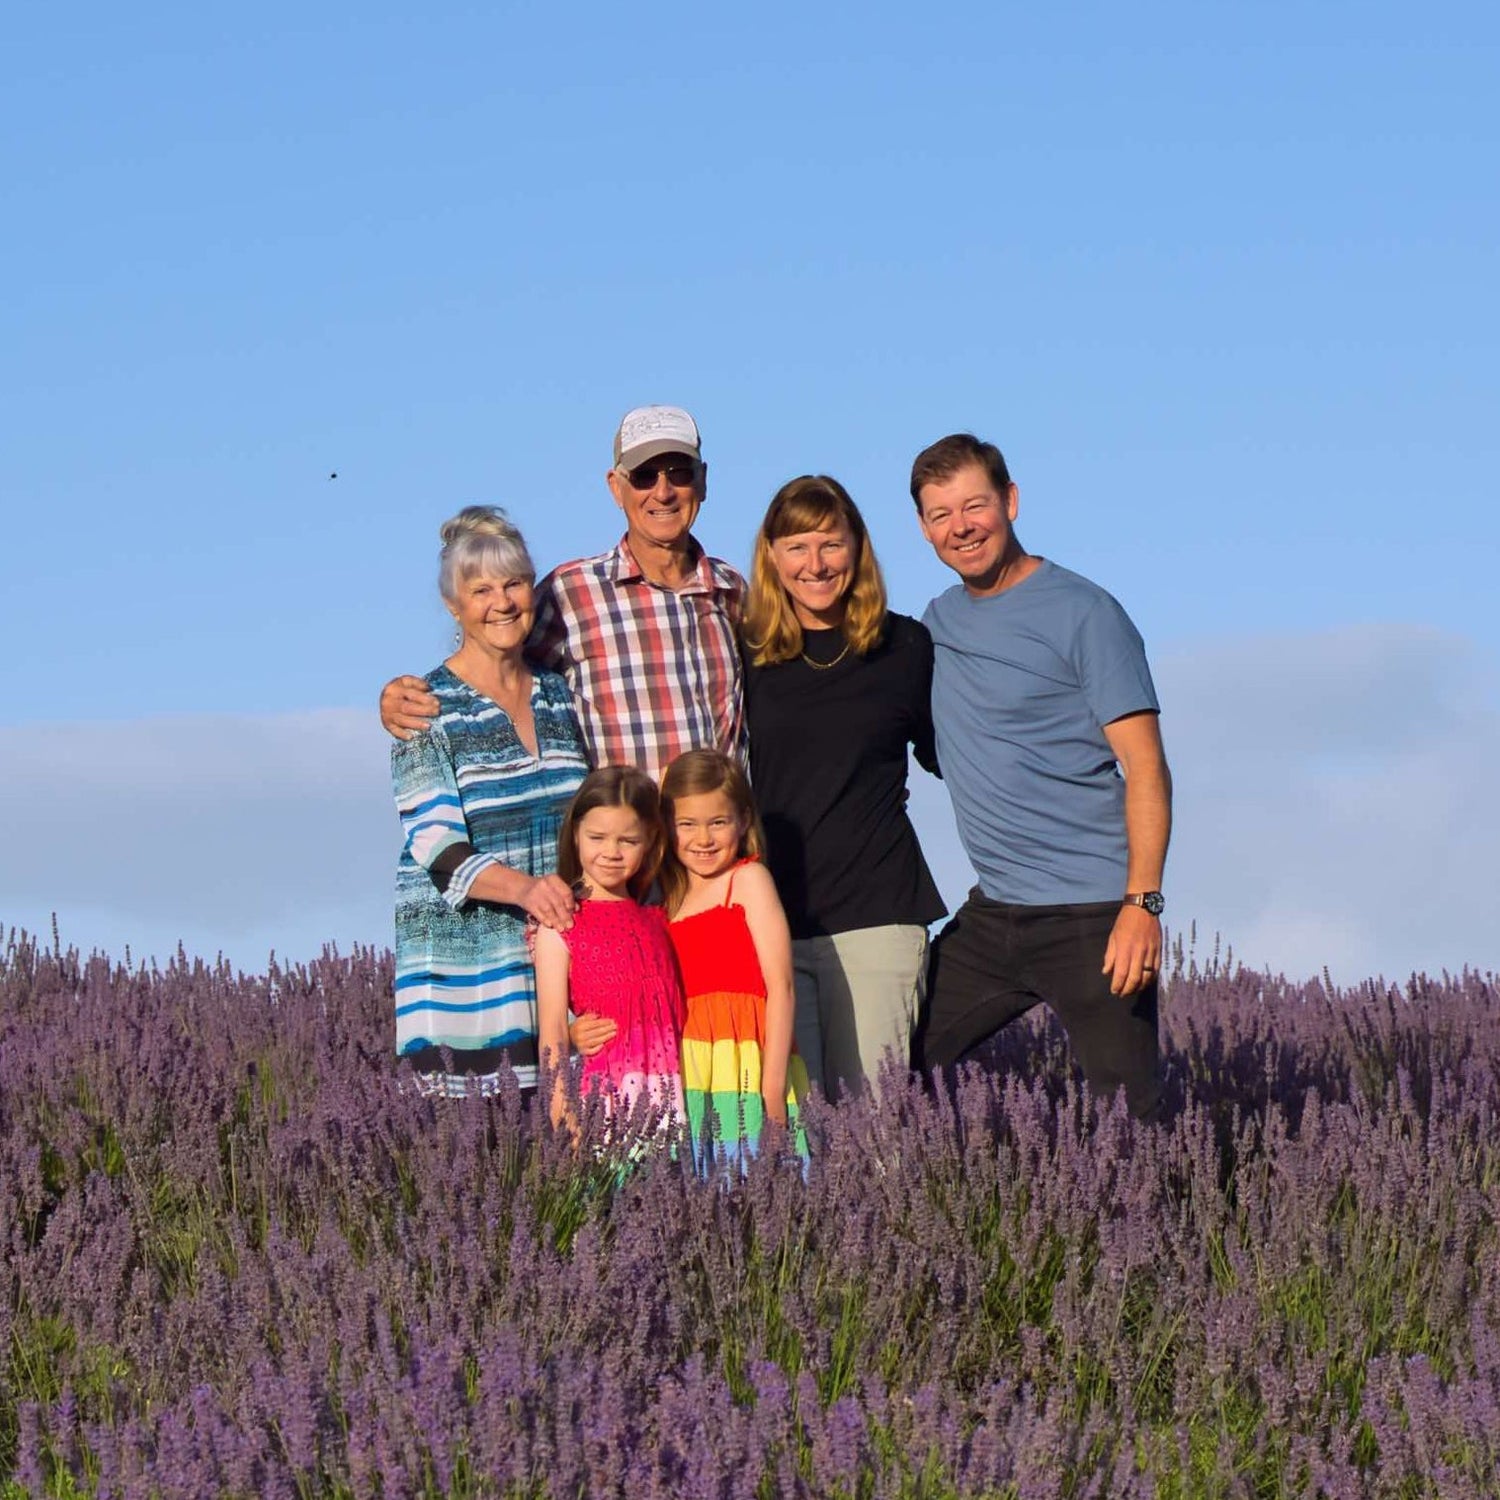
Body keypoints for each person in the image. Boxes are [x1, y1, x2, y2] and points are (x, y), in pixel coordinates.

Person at [910, 434, 1172, 1120]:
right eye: (940, 514)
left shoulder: (1086, 613)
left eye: (975, 505)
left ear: (1011, 501)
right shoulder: (936, 623)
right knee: (893, 1066)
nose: (960, 526)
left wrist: (1142, 905)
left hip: (1093, 915)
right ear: (923, 527)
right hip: (993, 915)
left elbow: (1145, 766)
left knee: (1134, 1124)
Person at [379, 405, 745, 781]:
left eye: (679, 474)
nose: (663, 492)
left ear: (702, 481)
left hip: (719, 839)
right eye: (644, 477)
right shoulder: (571, 593)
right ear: (616, 487)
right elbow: (490, 656)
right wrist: (405, 697)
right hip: (625, 838)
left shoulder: (731, 592)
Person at [740, 475, 946, 1099]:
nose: (816, 564)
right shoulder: (744, 652)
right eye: (797, 546)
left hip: (878, 921)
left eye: (831, 544)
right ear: (771, 556)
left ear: (857, 548)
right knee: (790, 1132)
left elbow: (959, 757)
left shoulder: (905, 646)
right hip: (772, 922)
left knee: (873, 1137)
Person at [391, 506, 588, 1096]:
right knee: (479, 1163)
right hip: (468, 981)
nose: (502, 602)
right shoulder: (426, 706)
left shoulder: (557, 694)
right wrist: (528, 890)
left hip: (556, 966)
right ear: (454, 605)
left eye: (514, 584)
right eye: (481, 590)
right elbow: (435, 845)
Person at [658, 749, 809, 1171]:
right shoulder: (668, 899)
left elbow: (781, 986)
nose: (703, 839)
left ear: (743, 820)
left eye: (717, 822)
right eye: (686, 824)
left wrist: (773, 1085)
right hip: (691, 1062)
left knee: (759, 1177)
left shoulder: (747, 880)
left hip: (748, 1060)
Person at [534, 768, 686, 1144]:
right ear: (575, 834)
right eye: (597, 837)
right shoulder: (561, 923)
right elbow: (552, 1028)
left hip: (680, 1087)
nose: (611, 852)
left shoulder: (661, 915)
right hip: (610, 1098)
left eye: (628, 840)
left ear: (651, 840)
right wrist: (561, 1110)